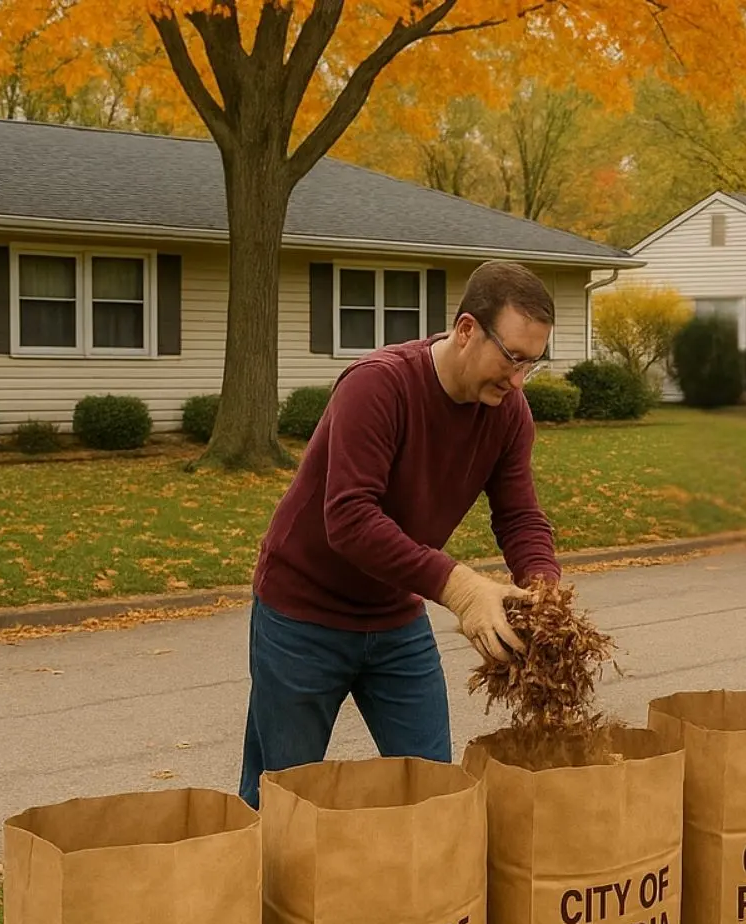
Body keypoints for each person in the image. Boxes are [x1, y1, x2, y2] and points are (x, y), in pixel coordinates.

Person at [237, 259, 564, 807]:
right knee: (280, 796)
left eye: (531, 364)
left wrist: (545, 591)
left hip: (395, 618)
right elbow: (350, 519)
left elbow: (519, 514)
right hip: (302, 616)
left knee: (434, 789)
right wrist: (461, 589)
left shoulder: (508, 413)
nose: (517, 380)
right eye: (511, 358)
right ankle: (246, 889)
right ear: (465, 331)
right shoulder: (378, 386)